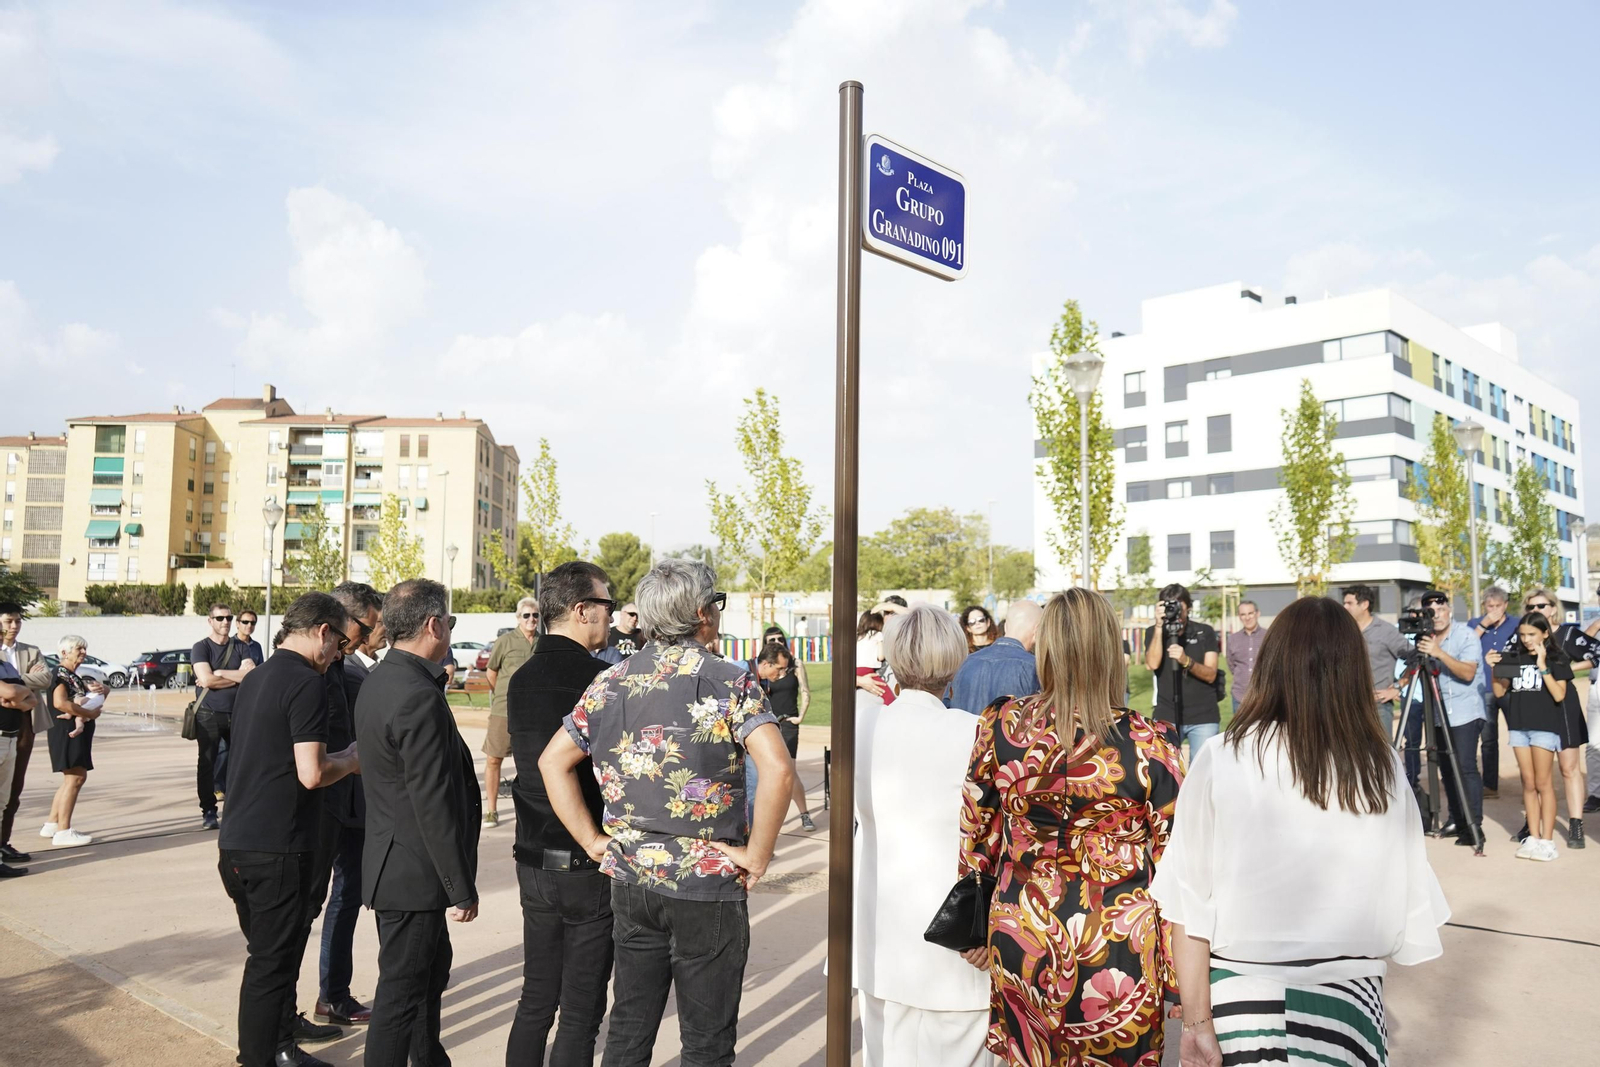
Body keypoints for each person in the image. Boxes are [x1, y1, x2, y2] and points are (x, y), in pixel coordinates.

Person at [1151, 596, 1450, 1067]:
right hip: (1350, 1001)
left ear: (1273, 664)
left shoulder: (1223, 757)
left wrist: (1195, 1022)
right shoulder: (1381, 765)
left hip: (1240, 998)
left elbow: (1188, 905)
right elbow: (1408, 895)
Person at [539, 558, 794, 1067]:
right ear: (701, 612)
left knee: (629, 1029)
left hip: (634, 877)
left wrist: (593, 841)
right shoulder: (729, 680)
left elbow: (552, 761)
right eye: (716, 604)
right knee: (705, 1042)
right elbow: (779, 769)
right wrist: (758, 856)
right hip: (706, 880)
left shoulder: (611, 681)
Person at [962, 588, 1183, 1066]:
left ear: (1047, 648)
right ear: (1109, 651)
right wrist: (1178, 973)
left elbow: (977, 832)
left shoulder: (1001, 726)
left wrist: (974, 924)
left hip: (1022, 932)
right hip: (1118, 946)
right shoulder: (1149, 742)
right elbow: (1177, 863)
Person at [217, 592, 360, 1067]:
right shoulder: (306, 682)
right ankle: (260, 1057)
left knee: (266, 958)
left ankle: (280, 1047)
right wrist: (352, 761)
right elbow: (311, 773)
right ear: (323, 632)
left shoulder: (256, 677)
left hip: (237, 843)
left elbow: (272, 756)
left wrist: (340, 757)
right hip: (277, 848)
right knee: (270, 967)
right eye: (340, 643)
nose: (338, 654)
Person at [855, 604, 987, 1067]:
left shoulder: (862, 723)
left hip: (878, 931)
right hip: (952, 934)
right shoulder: (972, 731)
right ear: (954, 661)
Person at [356, 579, 481, 1067]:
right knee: (401, 998)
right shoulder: (414, 693)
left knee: (427, 979)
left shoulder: (384, 679)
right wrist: (460, 887)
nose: (450, 629)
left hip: (399, 867)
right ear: (433, 625)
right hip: (412, 874)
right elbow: (432, 801)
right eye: (450, 621)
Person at [505, 561, 616, 1066]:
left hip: (533, 856)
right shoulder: (600, 680)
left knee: (536, 998)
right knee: (580, 1009)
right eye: (607, 605)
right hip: (586, 857)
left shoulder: (522, 678)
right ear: (581, 610)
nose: (611, 616)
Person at [312, 582, 386, 1029]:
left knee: (346, 896)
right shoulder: (329, 671)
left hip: (349, 803)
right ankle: (332, 995)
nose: (372, 634)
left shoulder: (345, 669)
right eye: (367, 626)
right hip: (332, 804)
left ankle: (332, 994)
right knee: (337, 899)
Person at [1487, 611, 1571, 860]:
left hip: (1544, 726)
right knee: (1528, 782)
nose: (1526, 639)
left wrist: (1543, 666)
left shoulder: (1557, 657)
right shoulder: (1516, 656)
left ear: (1545, 633)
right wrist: (1494, 669)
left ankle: (1547, 841)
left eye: (1532, 634)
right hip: (1519, 726)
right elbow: (1499, 692)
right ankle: (1533, 837)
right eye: (1523, 635)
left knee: (1544, 783)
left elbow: (1559, 695)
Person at [1413, 589, 1484, 846]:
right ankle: (1456, 819)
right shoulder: (1425, 639)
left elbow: (1468, 673)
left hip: (1465, 712)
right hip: (1438, 714)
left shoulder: (1466, 635)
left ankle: (1473, 824)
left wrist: (1438, 652)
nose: (1437, 615)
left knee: (1464, 767)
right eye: (1431, 612)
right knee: (1446, 771)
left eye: (1441, 610)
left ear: (1450, 610)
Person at [1521, 588, 1589, 848]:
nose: (1536, 610)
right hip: (1535, 707)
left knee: (1569, 768)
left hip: (1563, 705)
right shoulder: (1524, 634)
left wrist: (1567, 668)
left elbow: (1596, 653)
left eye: (1541, 606)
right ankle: (1532, 822)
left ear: (1553, 607)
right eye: (1531, 607)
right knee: (1537, 774)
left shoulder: (1568, 634)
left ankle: (1576, 823)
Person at [194, 602, 264, 831]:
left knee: (241, 763)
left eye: (228, 618)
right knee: (207, 764)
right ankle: (209, 811)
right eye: (220, 618)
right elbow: (206, 680)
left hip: (238, 712)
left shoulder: (241, 646)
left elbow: (251, 675)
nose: (225, 622)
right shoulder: (201, 647)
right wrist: (235, 678)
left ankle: (237, 810)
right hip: (208, 713)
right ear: (210, 621)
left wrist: (220, 673)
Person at [35, 636, 101, 848]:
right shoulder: (61, 674)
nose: (83, 652)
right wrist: (88, 713)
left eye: (84, 648)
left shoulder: (71, 675)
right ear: (64, 653)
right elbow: (60, 703)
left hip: (70, 730)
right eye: (78, 649)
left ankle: (52, 824)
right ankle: (63, 831)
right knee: (75, 778)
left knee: (70, 779)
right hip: (67, 731)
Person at [1142, 583, 1221, 757]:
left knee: (1202, 770)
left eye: (1178, 605)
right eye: (1168, 605)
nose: (1174, 610)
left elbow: (1211, 674)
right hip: (1167, 713)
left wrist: (1187, 661)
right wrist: (1158, 626)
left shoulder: (1204, 632)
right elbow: (1152, 664)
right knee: (1165, 769)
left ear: (1188, 607)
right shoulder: (1153, 632)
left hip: (1203, 716)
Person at [0, 602, 51, 869]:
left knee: (14, 787)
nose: (14, 626)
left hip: (24, 724)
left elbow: (46, 679)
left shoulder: (30, 651)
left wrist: (14, 680)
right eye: (9, 621)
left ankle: (3, 841)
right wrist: (22, 681)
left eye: (18, 621)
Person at [483, 596, 539, 829]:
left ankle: (528, 813)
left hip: (533, 713)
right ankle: (491, 810)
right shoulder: (505, 641)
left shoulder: (543, 643)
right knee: (494, 759)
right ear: (518, 618)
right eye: (526, 615)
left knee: (531, 763)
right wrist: (502, 695)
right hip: (503, 710)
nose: (531, 619)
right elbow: (491, 672)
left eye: (535, 615)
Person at [752, 639, 817, 832]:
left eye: (779, 638)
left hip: (789, 722)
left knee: (790, 770)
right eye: (771, 639)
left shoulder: (795, 665)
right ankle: (768, 819)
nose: (776, 641)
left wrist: (801, 716)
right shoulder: (762, 673)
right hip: (768, 723)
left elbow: (805, 690)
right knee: (766, 773)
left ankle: (804, 813)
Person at [1466, 586, 1518, 799]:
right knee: (1488, 739)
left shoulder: (1517, 624)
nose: (1494, 610)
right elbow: (1465, 645)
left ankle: (1530, 785)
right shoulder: (1474, 625)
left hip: (1512, 687)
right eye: (1490, 606)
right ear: (1484, 606)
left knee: (1520, 736)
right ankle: (1490, 785)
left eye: (1498, 605)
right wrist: (1483, 625)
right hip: (1485, 688)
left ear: (1505, 605)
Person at [1342, 584, 1412, 740]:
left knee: (1382, 754)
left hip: (1377, 708)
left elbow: (1416, 659)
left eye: (1349, 603)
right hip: (1346, 707)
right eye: (1344, 603)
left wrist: (1398, 686)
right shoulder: (1342, 631)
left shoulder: (1386, 631)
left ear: (1364, 604)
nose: (1345, 607)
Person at [947, 600, 1040, 714]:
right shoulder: (1034, 667)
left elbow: (948, 707)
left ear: (1005, 626)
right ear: (1037, 629)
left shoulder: (964, 663)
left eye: (981, 620)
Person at [1223, 600, 1265, 713]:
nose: (1247, 618)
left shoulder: (1268, 636)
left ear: (1257, 613)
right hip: (1240, 698)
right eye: (1243, 614)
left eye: (1250, 613)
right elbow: (1231, 665)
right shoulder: (1233, 639)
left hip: (1264, 697)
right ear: (1239, 617)